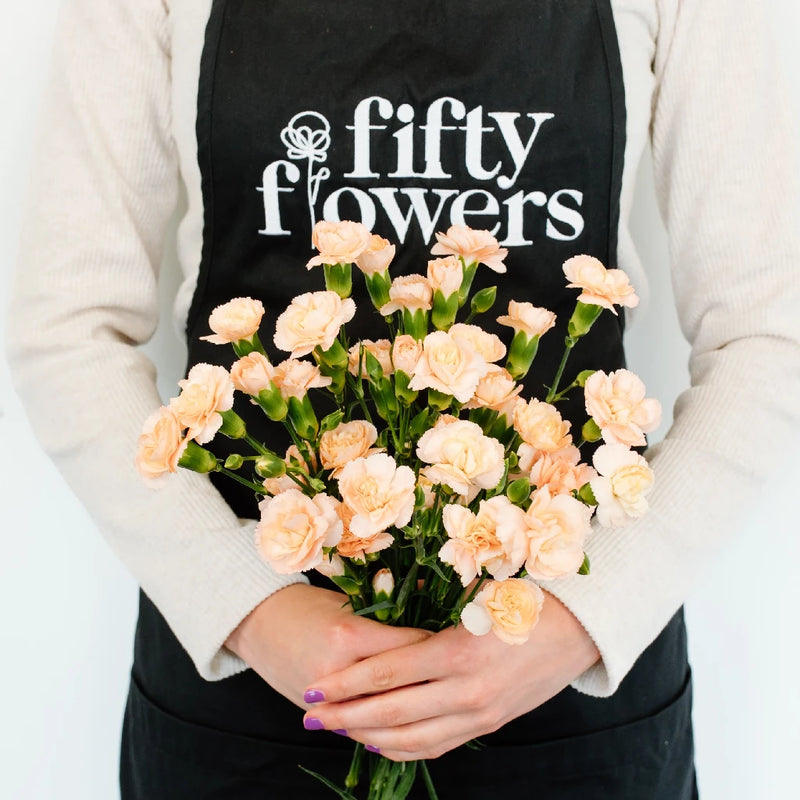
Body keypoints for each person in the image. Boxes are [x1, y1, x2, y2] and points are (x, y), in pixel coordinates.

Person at [7, 0, 799, 797]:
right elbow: (69, 326)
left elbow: (768, 335)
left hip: (573, 684)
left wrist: (583, 617)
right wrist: (248, 607)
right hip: (244, 684)